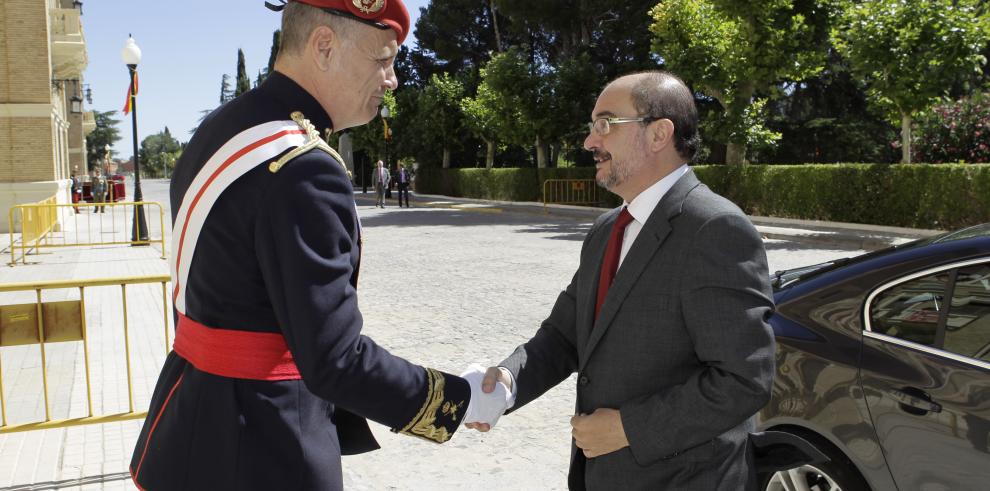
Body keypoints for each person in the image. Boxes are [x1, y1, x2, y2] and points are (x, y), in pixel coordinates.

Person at [129, 1, 508, 490]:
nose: (392, 79)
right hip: (265, 444)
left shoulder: (226, 127)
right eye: (383, 59)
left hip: (197, 417)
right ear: (324, 46)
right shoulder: (303, 165)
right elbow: (336, 360)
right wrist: (461, 399)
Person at [468, 71, 778, 490]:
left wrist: (629, 428)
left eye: (605, 124)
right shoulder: (606, 229)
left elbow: (744, 379)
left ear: (659, 134)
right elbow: (564, 335)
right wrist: (508, 380)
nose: (590, 142)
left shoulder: (715, 228)